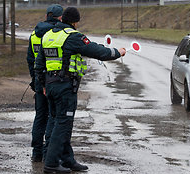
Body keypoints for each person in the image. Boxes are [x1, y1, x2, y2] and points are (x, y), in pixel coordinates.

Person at [35, 7, 126, 173]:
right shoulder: (73, 36)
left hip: (51, 85)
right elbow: (99, 52)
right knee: (63, 125)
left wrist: (42, 85)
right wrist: (118, 52)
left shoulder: (48, 35)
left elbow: (39, 64)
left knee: (58, 122)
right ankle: (51, 163)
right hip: (65, 87)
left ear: (62, 19)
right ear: (75, 21)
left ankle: (68, 160)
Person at [26, 4, 63, 162]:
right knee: (53, 117)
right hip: (54, 81)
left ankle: (37, 152)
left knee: (40, 116)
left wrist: (35, 80)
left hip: (38, 82)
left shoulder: (34, 34)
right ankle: (49, 151)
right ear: (59, 17)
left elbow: (30, 59)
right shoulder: (58, 34)